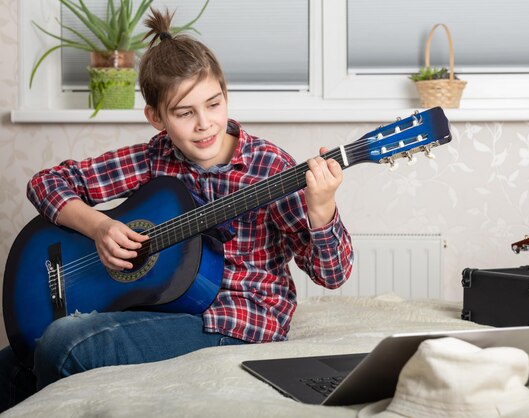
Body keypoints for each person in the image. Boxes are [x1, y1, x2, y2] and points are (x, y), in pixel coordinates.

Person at [0, 8, 353, 412]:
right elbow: (45, 183)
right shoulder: (156, 158)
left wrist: (322, 208)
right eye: (185, 113)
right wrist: (98, 227)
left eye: (214, 104)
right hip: (164, 307)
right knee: (14, 358)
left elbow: (333, 275)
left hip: (238, 320)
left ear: (226, 96)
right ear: (157, 119)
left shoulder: (269, 167)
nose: (205, 123)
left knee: (62, 341)